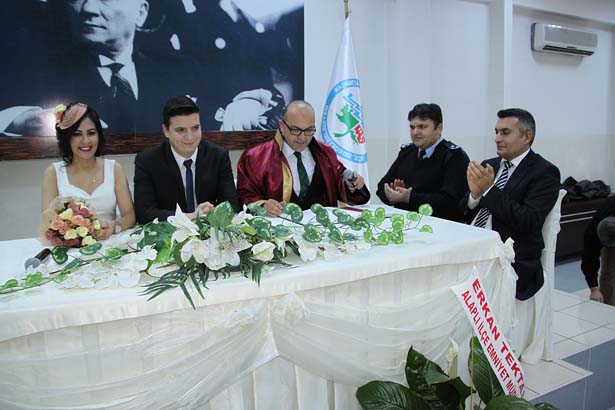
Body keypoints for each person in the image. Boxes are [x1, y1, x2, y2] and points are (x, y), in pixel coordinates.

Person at [0, 0, 283, 136]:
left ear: (141, 11)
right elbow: (9, 112)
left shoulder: (177, 70)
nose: (88, 9)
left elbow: (265, 98)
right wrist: (20, 119)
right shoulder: (42, 72)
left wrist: (246, 105)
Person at [463, 108, 560, 362]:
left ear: (527, 137)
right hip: (474, 242)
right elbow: (466, 208)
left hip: (514, 254)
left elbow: (529, 221)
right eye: (496, 131)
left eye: (505, 132)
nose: (497, 138)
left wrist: (489, 191)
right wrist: (474, 195)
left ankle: (486, 353)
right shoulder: (490, 165)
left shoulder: (544, 172)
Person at [237, 100, 369, 217]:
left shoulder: (325, 153)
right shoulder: (255, 158)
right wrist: (263, 205)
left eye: (309, 130)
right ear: (282, 126)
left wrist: (352, 185)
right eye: (295, 130)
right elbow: (244, 194)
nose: (302, 138)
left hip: (320, 230)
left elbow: (341, 185)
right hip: (278, 231)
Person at [134, 95, 240, 223]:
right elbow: (143, 213)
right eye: (180, 130)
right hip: (169, 231)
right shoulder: (147, 161)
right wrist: (190, 216)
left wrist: (211, 215)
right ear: (166, 131)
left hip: (209, 229)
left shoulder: (218, 156)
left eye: (195, 128)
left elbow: (232, 205)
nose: (190, 137)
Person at [41, 103, 136, 239]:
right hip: (71, 247)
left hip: (110, 244)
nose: (85, 141)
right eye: (77, 134)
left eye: (91, 133)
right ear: (67, 138)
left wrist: (115, 226)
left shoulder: (114, 168)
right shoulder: (53, 173)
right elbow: (48, 223)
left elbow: (130, 216)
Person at [376, 103, 469, 221]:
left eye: (422, 127)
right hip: (404, 223)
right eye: (412, 127)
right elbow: (382, 186)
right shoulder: (407, 152)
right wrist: (393, 194)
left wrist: (409, 198)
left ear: (439, 128)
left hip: (440, 226)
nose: (415, 132)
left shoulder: (454, 156)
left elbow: (452, 202)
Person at [581, 196, 615, 305]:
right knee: (609, 269)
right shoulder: (592, 233)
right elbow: (589, 258)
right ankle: (607, 306)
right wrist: (594, 289)